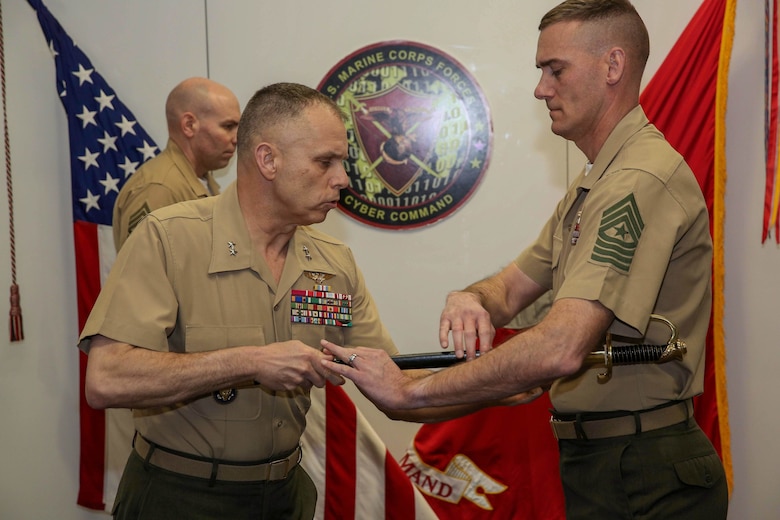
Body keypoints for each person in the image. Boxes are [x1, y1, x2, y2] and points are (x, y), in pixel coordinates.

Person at [323, 1, 729, 518]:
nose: (541, 88)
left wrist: (412, 393)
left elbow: (560, 347)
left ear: (613, 66)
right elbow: (513, 287)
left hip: (643, 468)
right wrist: (472, 298)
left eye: (555, 69)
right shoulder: (595, 183)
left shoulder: (637, 181)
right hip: (604, 461)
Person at [78, 82, 532, 520]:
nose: (344, 179)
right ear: (268, 159)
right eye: (325, 162)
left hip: (284, 496)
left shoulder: (333, 264)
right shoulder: (171, 238)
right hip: (179, 497)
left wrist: (495, 383)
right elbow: (106, 378)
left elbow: (398, 389)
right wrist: (249, 362)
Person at [112, 76, 240, 251]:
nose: (236, 138)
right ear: (189, 125)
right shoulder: (158, 189)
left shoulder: (200, 180)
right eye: (228, 126)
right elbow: (143, 271)